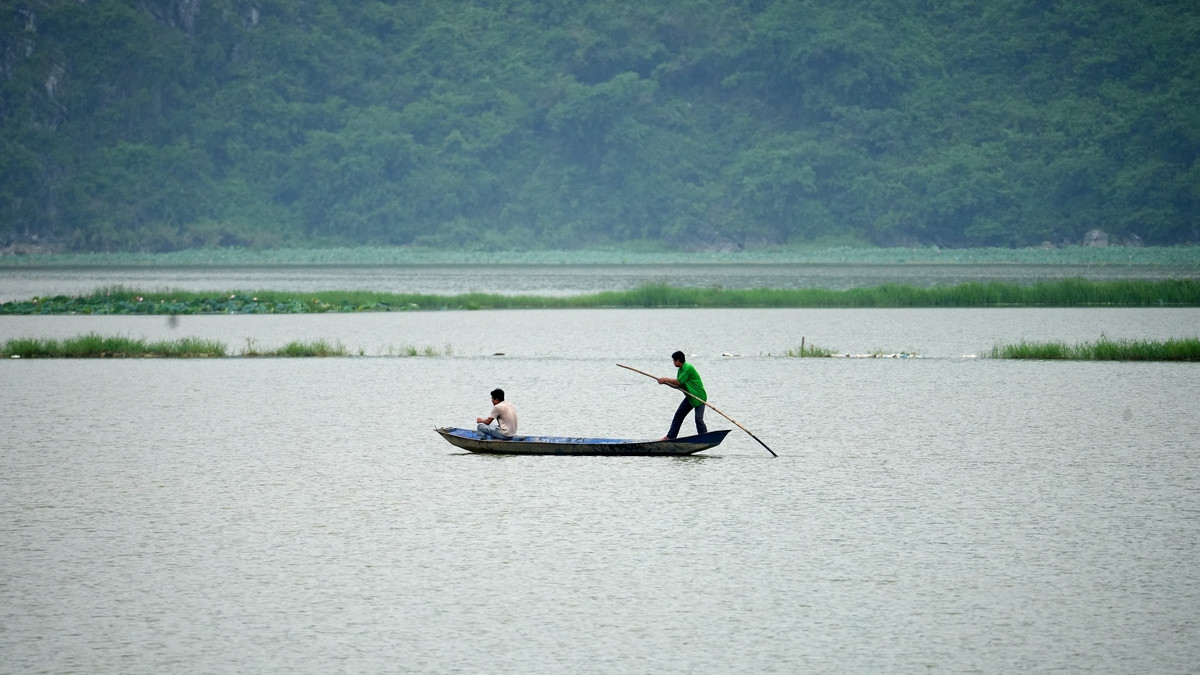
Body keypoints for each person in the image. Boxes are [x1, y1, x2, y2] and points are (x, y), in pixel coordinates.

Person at [657, 350, 708, 440]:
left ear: (678, 360)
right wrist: (665, 383)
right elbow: (677, 385)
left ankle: (705, 437)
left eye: (674, 360)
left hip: (699, 396)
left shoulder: (687, 368)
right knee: (678, 415)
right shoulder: (680, 370)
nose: (673, 362)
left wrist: (665, 379)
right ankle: (670, 436)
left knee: (698, 419)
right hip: (690, 397)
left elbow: (678, 381)